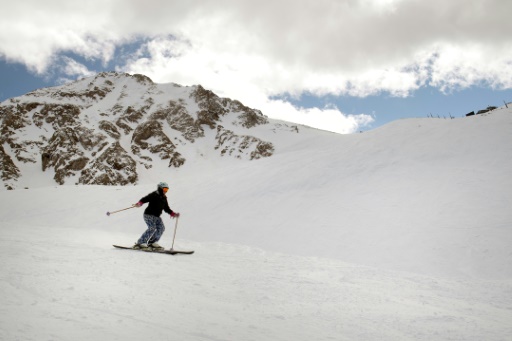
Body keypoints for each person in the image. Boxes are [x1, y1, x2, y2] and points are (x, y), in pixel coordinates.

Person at [133, 182, 180, 249]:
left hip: (156, 216)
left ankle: (152, 243)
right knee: (152, 227)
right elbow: (145, 199)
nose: (165, 191)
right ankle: (140, 243)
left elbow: (166, 208)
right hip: (148, 214)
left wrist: (173, 214)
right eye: (164, 189)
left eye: (167, 190)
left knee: (161, 228)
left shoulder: (164, 198)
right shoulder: (154, 195)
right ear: (160, 188)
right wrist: (139, 203)